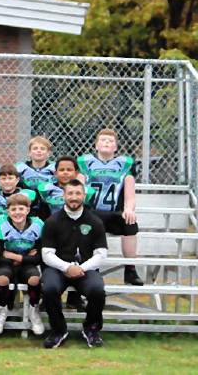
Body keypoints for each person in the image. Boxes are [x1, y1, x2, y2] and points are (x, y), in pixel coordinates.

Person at [41, 179, 107, 349]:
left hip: (85, 268)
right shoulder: (52, 221)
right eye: (70, 193)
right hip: (57, 268)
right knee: (49, 288)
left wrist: (81, 268)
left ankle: (91, 328)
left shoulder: (95, 221)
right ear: (63, 196)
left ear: (84, 196)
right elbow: (47, 254)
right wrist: (66, 267)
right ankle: (58, 330)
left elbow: (101, 254)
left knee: (97, 290)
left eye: (78, 193)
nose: (74, 197)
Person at [77, 128, 143, 286]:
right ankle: (93, 269)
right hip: (90, 212)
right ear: (96, 145)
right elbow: (77, 190)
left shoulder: (124, 164)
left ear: (116, 147)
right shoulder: (85, 163)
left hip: (113, 212)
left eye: (111, 141)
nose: (107, 143)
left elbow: (130, 193)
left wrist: (129, 209)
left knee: (130, 222)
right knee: (86, 224)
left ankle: (130, 269)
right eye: (103, 140)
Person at [0, 193, 44, 336]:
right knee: (2, 279)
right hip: (6, 264)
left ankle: (34, 310)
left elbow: (39, 258)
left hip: (25, 264)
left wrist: (16, 257)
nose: (17, 212)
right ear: (8, 211)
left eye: (21, 208)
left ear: (28, 210)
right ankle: (2, 310)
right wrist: (25, 257)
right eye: (13, 209)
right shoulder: (0, 224)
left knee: (34, 279)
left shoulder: (38, 225)